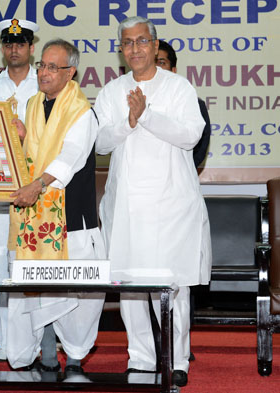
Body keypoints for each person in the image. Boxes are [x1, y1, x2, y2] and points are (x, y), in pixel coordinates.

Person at [94, 16, 211, 387]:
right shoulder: (112, 91)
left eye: (142, 41)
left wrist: (147, 115)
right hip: (127, 205)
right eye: (127, 43)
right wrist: (129, 122)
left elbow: (192, 135)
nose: (135, 49)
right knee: (129, 286)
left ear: (155, 45)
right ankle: (141, 359)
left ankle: (177, 360)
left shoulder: (178, 87)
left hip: (171, 205)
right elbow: (99, 143)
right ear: (121, 49)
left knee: (172, 285)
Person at [6, 39, 106, 375]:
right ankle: (47, 352)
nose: (44, 72)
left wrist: (36, 186)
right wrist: (17, 138)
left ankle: (75, 357)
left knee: (77, 292)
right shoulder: (34, 104)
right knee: (37, 285)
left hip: (72, 218)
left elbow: (70, 159)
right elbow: (32, 152)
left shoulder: (82, 111)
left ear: (70, 71)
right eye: (42, 66)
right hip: (36, 219)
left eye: (53, 67)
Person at [0, 18, 39, 363]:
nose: (14, 49)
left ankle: (36, 340)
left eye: (21, 43)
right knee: (3, 262)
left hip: (33, 186)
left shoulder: (43, 85)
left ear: (31, 47)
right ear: (3, 48)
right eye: (8, 43)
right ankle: (8, 344)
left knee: (30, 261)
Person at [156, 40, 211, 168]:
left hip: (178, 180)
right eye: (152, 63)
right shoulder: (135, 102)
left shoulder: (194, 104)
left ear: (173, 70)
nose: (157, 68)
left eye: (161, 63)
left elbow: (198, 152)